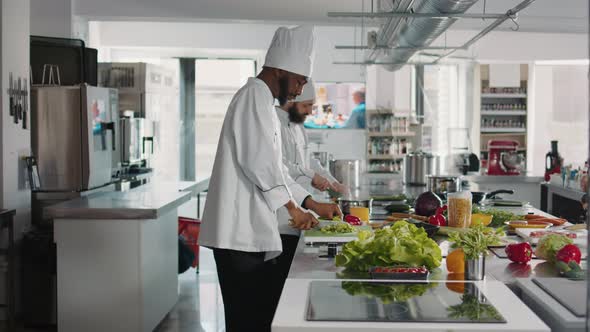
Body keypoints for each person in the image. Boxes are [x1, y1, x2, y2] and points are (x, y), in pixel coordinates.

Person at [198, 26, 340, 332]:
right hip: (239, 234)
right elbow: (259, 163)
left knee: (257, 319)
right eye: (300, 79)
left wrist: (310, 203)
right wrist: (294, 209)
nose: (301, 89)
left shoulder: (262, 100)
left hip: (249, 234)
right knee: (247, 321)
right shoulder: (253, 96)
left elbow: (277, 168)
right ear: (279, 70)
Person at [267, 81, 346, 319]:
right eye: (307, 105)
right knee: (279, 284)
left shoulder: (298, 125)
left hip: (303, 208)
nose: (310, 111)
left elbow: (310, 161)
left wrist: (332, 182)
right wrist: (312, 178)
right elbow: (281, 168)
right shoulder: (273, 124)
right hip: (284, 212)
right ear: (291, 101)